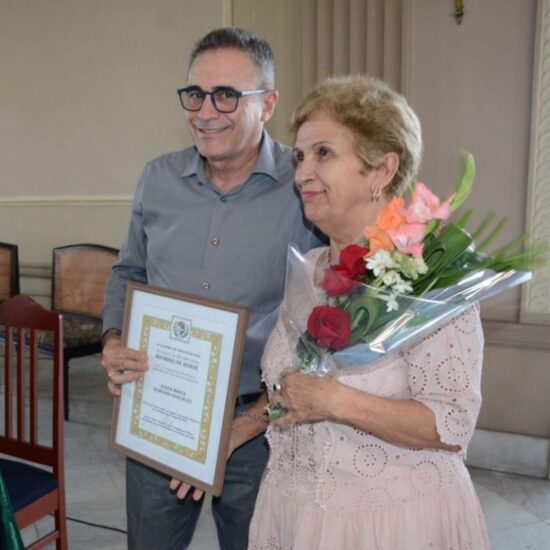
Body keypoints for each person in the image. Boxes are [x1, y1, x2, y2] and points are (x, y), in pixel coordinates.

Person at [101, 27, 322, 550]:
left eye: (226, 95)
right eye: (195, 94)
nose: (205, 111)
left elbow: (326, 316)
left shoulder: (304, 185)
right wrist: (113, 340)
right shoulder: (157, 179)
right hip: (162, 411)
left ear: (267, 104)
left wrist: (247, 424)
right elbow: (128, 272)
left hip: (261, 426)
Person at [246, 76, 491, 549]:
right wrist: (240, 429)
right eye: (300, 156)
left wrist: (336, 401)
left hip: (391, 524)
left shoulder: (428, 276)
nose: (301, 174)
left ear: (381, 170)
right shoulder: (310, 272)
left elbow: (451, 423)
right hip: (295, 515)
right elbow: (293, 387)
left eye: (323, 153)